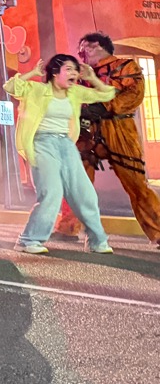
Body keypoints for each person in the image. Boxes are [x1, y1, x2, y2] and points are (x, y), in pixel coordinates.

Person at [4, 54, 117, 255]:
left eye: (75, 69)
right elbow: (11, 87)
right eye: (68, 69)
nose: (74, 73)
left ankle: (97, 241)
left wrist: (92, 78)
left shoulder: (75, 92)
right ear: (55, 73)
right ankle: (29, 239)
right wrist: (33, 73)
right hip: (42, 142)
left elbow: (107, 94)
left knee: (85, 193)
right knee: (52, 192)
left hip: (66, 144)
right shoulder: (38, 90)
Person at [54, 33, 160, 247]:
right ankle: (68, 227)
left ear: (98, 46)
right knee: (76, 180)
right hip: (87, 130)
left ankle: (158, 230)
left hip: (119, 128)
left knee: (136, 182)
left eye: (85, 48)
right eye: (80, 50)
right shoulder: (80, 73)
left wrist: (105, 107)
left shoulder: (125, 66)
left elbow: (134, 94)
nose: (82, 53)